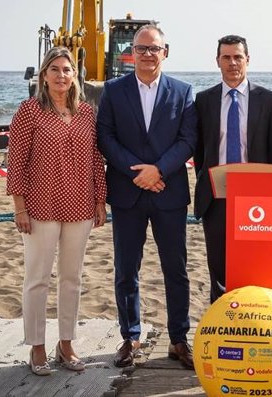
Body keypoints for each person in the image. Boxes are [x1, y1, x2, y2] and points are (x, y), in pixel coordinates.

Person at [97, 25, 197, 370]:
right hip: (127, 193)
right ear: (132, 53)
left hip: (169, 193)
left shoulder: (183, 92)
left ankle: (179, 340)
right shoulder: (113, 90)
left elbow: (188, 140)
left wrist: (159, 171)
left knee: (176, 270)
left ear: (165, 52)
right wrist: (136, 172)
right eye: (141, 49)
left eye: (154, 49)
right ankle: (131, 336)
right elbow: (105, 137)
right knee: (127, 269)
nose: (147, 55)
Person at [6, 46, 108, 376]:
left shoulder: (86, 113)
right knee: (37, 278)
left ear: (74, 76)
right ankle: (36, 347)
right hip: (39, 205)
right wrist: (19, 206)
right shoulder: (29, 110)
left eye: (67, 70)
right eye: (55, 70)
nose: (61, 75)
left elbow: (96, 159)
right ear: (44, 75)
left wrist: (98, 200)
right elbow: (16, 161)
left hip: (80, 203)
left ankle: (66, 344)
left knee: (72, 278)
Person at [193, 34, 272, 303]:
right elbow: (200, 151)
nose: (233, 63)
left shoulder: (269, 100)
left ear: (248, 60)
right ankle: (221, 325)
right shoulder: (203, 100)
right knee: (218, 269)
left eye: (238, 57)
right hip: (216, 196)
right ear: (217, 61)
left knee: (255, 268)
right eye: (226, 57)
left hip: (257, 200)